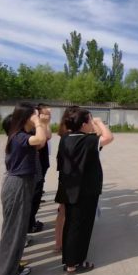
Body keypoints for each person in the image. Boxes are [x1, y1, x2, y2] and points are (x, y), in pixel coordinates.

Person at [0, 103, 51, 275]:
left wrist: (43, 123)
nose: (36, 117)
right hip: (17, 185)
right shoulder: (18, 136)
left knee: (18, 231)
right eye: (34, 115)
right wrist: (38, 122)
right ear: (26, 117)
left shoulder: (23, 135)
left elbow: (42, 141)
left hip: (22, 184)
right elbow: (40, 138)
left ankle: (14, 268)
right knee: (13, 232)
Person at [57, 108, 114, 274]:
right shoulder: (88, 141)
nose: (92, 123)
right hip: (86, 190)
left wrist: (92, 122)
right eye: (89, 120)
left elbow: (97, 138)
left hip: (70, 188)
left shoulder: (66, 138)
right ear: (83, 124)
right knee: (83, 226)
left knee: (71, 225)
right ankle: (76, 263)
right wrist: (99, 122)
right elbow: (108, 137)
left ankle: (69, 260)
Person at [53, 106, 79, 253]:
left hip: (64, 176)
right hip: (71, 178)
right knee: (65, 211)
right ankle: (62, 242)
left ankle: (58, 242)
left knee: (62, 210)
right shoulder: (73, 136)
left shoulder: (65, 134)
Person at [28, 103, 52, 234]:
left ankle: (31, 221)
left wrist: (45, 123)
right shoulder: (32, 128)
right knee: (34, 194)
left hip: (42, 162)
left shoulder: (41, 124)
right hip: (36, 164)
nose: (47, 116)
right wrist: (41, 123)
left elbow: (49, 135)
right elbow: (43, 140)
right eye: (45, 114)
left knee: (37, 192)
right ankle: (30, 224)